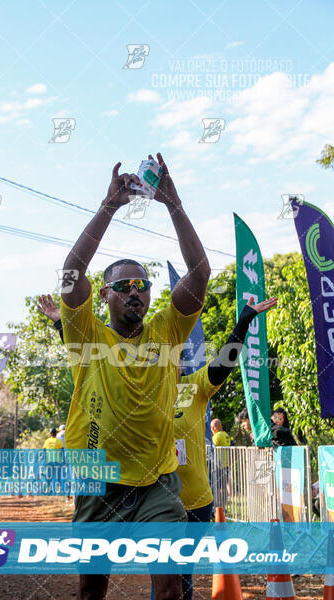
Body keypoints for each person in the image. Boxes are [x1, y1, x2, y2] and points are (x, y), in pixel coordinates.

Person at [57, 153, 211, 600]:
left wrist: (173, 204)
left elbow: (200, 275)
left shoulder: (168, 328)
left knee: (168, 587)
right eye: (123, 286)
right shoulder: (88, 334)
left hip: (157, 480)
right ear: (104, 295)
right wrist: (108, 208)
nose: (134, 292)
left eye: (141, 285)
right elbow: (71, 274)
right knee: (92, 590)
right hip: (97, 474)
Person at [172, 295, 277, 599]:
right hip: (157, 502)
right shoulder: (145, 395)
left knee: (182, 572)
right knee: (166, 574)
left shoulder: (193, 387)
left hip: (195, 502)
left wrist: (243, 321)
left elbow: (224, 362)